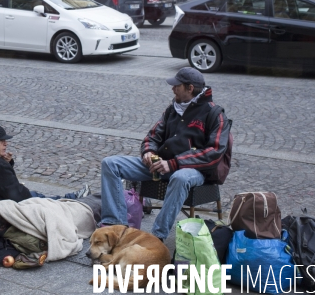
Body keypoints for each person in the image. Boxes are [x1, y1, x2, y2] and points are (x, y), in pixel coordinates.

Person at [99, 68, 231, 241]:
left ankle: (156, 236)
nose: (172, 88)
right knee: (110, 163)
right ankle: (116, 225)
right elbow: (152, 136)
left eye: (177, 85)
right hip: (162, 164)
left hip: (195, 170)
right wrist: (148, 152)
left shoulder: (215, 114)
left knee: (180, 178)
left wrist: (174, 163)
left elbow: (213, 153)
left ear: (189, 88)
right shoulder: (172, 109)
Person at [0, 122, 91, 225]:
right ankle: (72, 200)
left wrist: (6, 165)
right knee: (38, 199)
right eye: (1, 141)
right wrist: (5, 166)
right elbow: (17, 194)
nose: (6, 143)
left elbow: (1, 184)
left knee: (36, 196)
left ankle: (71, 198)